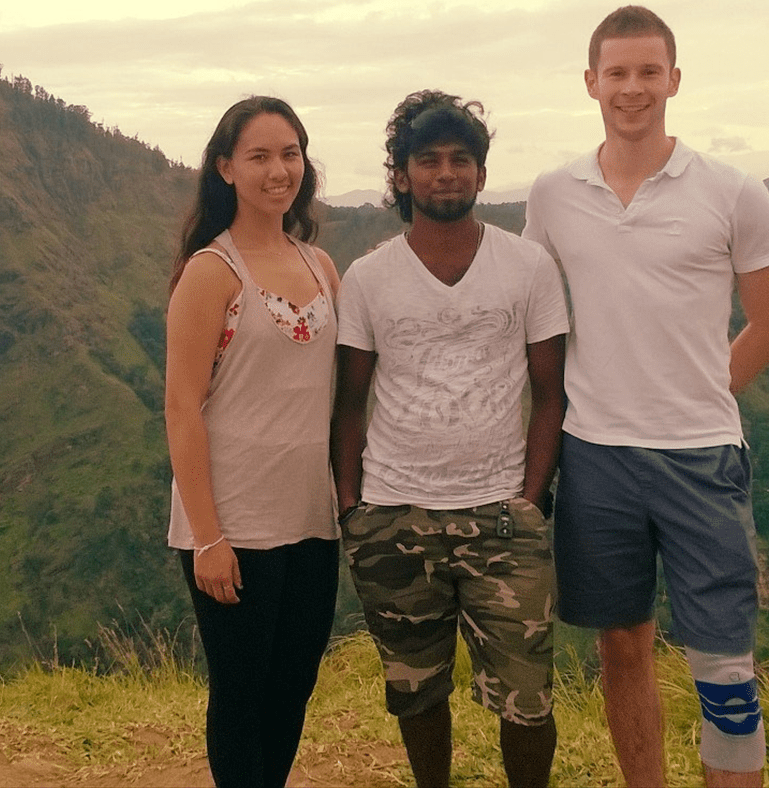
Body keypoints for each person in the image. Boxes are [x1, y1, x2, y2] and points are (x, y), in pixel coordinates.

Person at [523, 6, 769, 788]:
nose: (632, 88)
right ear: (589, 83)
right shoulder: (552, 194)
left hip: (701, 456)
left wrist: (700, 392)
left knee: (724, 664)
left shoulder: (733, 191)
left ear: (674, 79)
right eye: (616, 72)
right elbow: (534, 318)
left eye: (648, 72)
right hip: (596, 456)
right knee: (620, 644)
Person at [333, 91, 570, 788]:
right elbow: (348, 401)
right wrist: (353, 506)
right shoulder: (369, 277)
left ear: (481, 173)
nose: (445, 173)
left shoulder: (526, 267)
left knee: (527, 700)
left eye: (460, 160)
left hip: (502, 515)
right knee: (416, 688)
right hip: (393, 512)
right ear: (400, 176)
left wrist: (529, 499)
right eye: (427, 160)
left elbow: (549, 392)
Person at [165, 96, 342, 788]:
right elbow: (181, 407)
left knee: (290, 685)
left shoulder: (321, 266)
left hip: (309, 518)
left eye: (290, 153)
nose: (278, 170)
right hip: (232, 523)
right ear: (225, 167)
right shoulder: (213, 271)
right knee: (239, 692)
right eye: (260, 156)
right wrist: (207, 536)